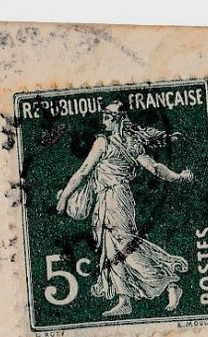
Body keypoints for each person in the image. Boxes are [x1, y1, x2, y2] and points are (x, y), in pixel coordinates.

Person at [55, 101, 196, 318]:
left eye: (108, 116)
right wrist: (178, 177)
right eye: (104, 116)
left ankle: (169, 282)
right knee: (112, 250)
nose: (104, 120)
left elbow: (84, 172)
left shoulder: (107, 144)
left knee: (125, 246)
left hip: (115, 198)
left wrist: (64, 197)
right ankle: (124, 300)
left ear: (119, 120)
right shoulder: (127, 143)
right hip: (107, 198)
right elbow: (155, 168)